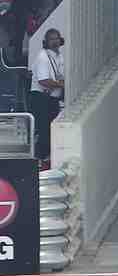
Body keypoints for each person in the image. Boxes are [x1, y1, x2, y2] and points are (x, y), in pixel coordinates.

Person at [30, 29, 64, 170]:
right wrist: (61, 84)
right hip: (41, 98)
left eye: (57, 38)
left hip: (52, 99)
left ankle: (47, 160)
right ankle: (39, 161)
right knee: (44, 131)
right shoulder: (43, 57)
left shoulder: (59, 56)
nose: (55, 41)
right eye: (52, 39)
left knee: (51, 131)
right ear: (46, 42)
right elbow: (44, 81)